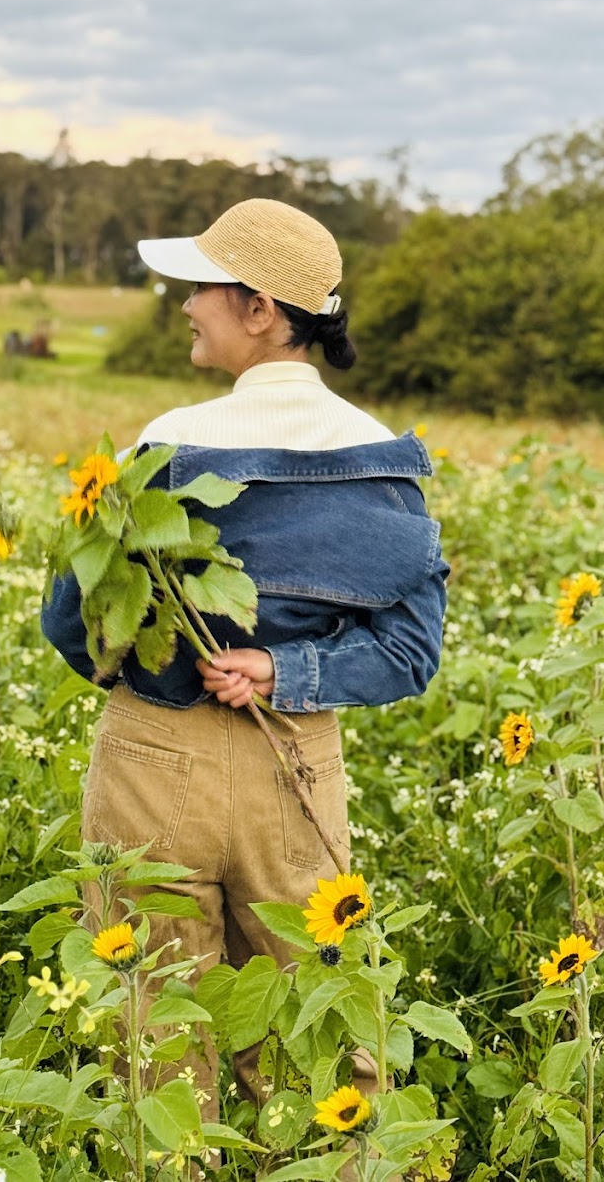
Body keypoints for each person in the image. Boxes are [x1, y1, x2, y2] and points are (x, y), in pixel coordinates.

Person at [41, 197, 449, 1117]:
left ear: (260, 307)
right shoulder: (387, 467)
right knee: (315, 1044)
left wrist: (155, 677)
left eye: (203, 286)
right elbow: (411, 652)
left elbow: (71, 619)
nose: (185, 302)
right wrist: (288, 673)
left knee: (152, 1045)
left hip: (153, 760)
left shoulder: (162, 446)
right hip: (295, 760)